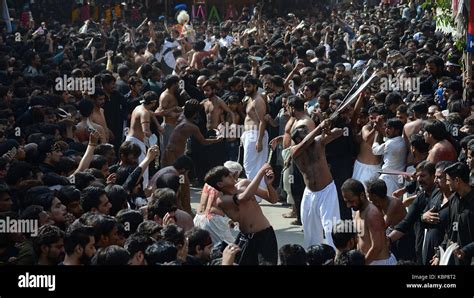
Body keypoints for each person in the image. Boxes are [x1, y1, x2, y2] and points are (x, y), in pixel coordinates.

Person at [205, 163, 278, 265]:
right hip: (246, 237)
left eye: (229, 173)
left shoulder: (244, 184)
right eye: (226, 175)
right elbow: (244, 197)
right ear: (220, 184)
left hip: (265, 234)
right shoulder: (222, 200)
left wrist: (268, 184)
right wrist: (261, 172)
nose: (231, 175)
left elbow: (273, 199)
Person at [290, 119, 343, 249]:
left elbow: (339, 132)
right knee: (309, 229)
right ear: (298, 139)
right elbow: (304, 143)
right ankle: (313, 256)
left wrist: (328, 130)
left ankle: (335, 256)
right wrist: (319, 127)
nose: (311, 134)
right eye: (305, 133)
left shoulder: (319, 142)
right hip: (309, 193)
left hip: (327, 191)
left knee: (331, 226)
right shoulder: (294, 150)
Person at [341, 179, 396, 265]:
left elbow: (377, 247)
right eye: (346, 202)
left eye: (351, 201)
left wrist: (363, 264)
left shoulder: (372, 214)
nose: (348, 205)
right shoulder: (357, 212)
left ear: (362, 195)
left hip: (379, 262)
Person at [162, 99, 223, 167]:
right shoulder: (192, 127)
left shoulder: (181, 116)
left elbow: (165, 113)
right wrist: (217, 140)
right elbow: (204, 142)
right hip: (174, 155)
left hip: (169, 151)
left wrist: (175, 107)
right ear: (196, 113)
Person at [241, 75, 269, 201]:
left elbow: (263, 121)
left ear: (255, 86)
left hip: (256, 135)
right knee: (251, 165)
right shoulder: (250, 99)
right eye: (244, 86)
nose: (246, 89)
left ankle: (257, 194)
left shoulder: (258, 100)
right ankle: (256, 194)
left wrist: (259, 140)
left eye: (248, 86)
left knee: (250, 165)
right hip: (249, 135)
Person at [126, 91, 160, 187]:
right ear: (153, 102)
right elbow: (146, 131)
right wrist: (154, 142)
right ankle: (142, 190)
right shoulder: (144, 112)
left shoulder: (138, 108)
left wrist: (158, 125)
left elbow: (152, 113)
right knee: (142, 169)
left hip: (130, 140)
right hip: (136, 143)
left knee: (131, 168)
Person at [372, 118, 407, 197]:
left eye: (389, 128)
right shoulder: (403, 141)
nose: (386, 130)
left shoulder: (390, 143)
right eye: (386, 127)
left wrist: (377, 133)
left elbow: (375, 150)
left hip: (388, 178)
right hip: (398, 179)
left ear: (397, 130)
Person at [155, 75, 182, 159]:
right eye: (177, 83)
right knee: (167, 154)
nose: (179, 85)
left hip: (174, 127)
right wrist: (173, 109)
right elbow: (159, 112)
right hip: (168, 128)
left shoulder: (173, 94)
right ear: (174, 84)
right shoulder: (165, 96)